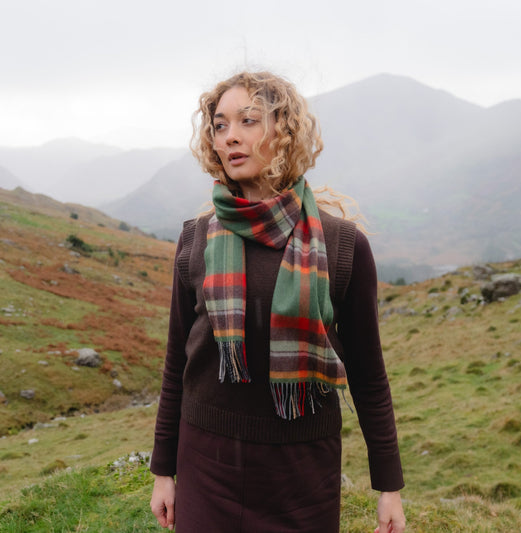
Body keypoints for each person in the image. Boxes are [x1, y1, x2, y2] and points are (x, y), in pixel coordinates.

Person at [150, 71, 406, 533]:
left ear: (285, 132)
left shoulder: (343, 246)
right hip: (207, 465)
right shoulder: (196, 240)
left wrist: (389, 487)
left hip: (301, 477)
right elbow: (177, 364)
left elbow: (369, 374)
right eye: (220, 125)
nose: (230, 136)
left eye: (248, 121)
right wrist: (163, 472)